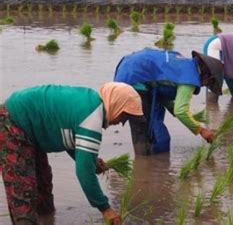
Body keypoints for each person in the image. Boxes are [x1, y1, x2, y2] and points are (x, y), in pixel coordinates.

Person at [0, 82, 144, 225]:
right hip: (13, 122)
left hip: (31, 128)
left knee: (43, 186)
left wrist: (92, 162)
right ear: (116, 103)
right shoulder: (92, 118)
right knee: (23, 190)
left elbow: (69, 139)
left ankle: (47, 220)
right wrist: (105, 209)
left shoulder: (90, 101)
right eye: (124, 116)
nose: (122, 122)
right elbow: (84, 172)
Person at [114, 48, 223, 154]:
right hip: (133, 79)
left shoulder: (185, 64)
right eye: (209, 83)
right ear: (208, 76)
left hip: (129, 68)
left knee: (151, 129)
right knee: (145, 130)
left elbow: (162, 93)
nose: (204, 85)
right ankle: (143, 162)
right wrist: (201, 130)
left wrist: (182, 114)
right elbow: (180, 111)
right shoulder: (189, 78)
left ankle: (148, 163)